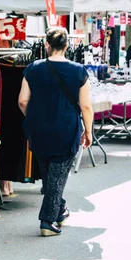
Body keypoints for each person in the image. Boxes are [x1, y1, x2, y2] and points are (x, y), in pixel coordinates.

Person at [18, 27, 93, 237]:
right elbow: (86, 106)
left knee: (50, 175)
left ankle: (59, 211)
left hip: (38, 129)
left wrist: (32, 118)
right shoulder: (79, 71)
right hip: (67, 128)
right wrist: (88, 131)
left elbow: (23, 100)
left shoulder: (33, 68)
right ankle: (47, 220)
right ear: (67, 46)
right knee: (57, 176)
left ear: (47, 45)